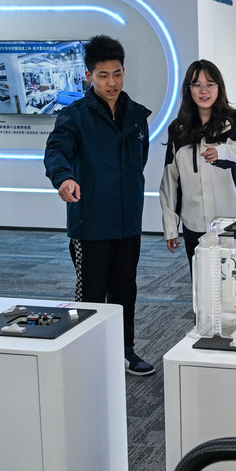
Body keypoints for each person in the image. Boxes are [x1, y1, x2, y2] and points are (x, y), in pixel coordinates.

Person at [43, 35, 155, 376]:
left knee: (125, 290)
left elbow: (139, 162)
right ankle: (87, 351)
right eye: (103, 75)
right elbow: (56, 151)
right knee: (91, 292)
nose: (112, 82)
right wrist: (64, 178)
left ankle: (125, 350)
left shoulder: (136, 115)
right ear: (89, 76)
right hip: (90, 222)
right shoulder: (74, 116)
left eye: (117, 74)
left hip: (127, 222)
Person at [159, 60, 236, 268]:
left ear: (219, 88)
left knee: (233, 283)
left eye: (210, 84)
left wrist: (220, 152)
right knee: (201, 283)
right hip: (194, 224)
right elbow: (170, 180)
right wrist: (170, 227)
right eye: (197, 85)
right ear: (189, 89)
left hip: (232, 221)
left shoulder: (234, 120)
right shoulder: (178, 129)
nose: (204, 91)